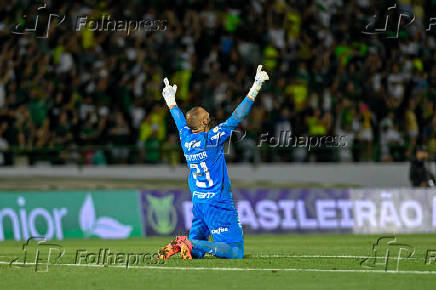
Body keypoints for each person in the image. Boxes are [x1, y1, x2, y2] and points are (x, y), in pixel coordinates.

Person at [157, 65, 269, 259]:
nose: (210, 117)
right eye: (207, 116)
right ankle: (186, 242)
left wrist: (171, 102)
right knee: (235, 251)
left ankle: (190, 245)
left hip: (199, 200)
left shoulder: (185, 138)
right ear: (202, 124)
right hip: (217, 201)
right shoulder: (211, 139)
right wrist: (255, 87)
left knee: (196, 254)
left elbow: (179, 121)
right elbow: (237, 117)